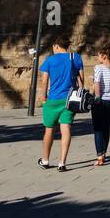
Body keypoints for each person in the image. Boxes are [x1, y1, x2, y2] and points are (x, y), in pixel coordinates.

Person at [37, 38, 83, 171]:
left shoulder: (50, 60)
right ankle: (62, 163)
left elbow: (45, 81)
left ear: (56, 46)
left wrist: (44, 97)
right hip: (69, 99)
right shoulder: (75, 57)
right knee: (66, 128)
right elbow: (82, 78)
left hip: (52, 100)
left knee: (49, 130)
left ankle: (45, 160)